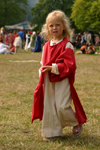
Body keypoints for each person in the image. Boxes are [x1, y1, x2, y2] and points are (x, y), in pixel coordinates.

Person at [32, 10, 87, 141]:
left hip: (62, 79)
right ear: (47, 28)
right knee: (49, 105)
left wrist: (54, 68)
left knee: (62, 106)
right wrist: (43, 70)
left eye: (57, 25)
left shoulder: (67, 45)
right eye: (51, 25)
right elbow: (42, 62)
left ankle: (75, 121)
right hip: (48, 80)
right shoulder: (46, 46)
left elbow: (70, 64)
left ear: (63, 26)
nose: (54, 28)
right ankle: (52, 131)